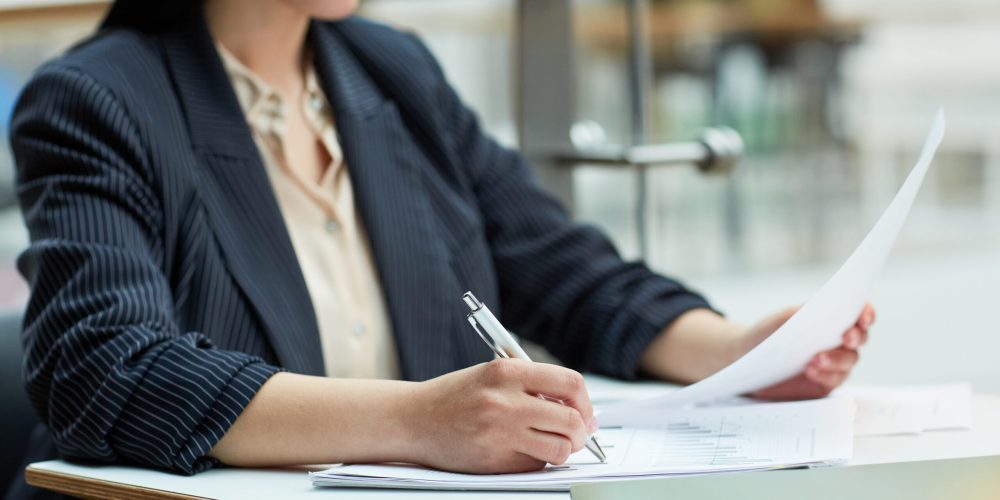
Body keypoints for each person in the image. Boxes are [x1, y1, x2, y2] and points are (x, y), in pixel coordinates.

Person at [7, 0, 874, 489]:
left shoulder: (392, 69)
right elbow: (101, 369)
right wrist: (419, 423)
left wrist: (740, 350)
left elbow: (559, 268)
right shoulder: (95, 98)